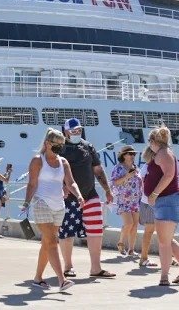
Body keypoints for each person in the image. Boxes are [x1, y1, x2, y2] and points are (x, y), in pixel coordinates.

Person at [20, 129, 81, 291]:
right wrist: (26, 203)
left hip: (58, 205)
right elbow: (32, 184)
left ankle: (38, 278)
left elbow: (71, 182)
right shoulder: (37, 161)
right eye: (56, 145)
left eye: (62, 145)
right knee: (53, 241)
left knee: (47, 243)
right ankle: (62, 280)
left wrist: (79, 196)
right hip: (41, 203)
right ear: (47, 144)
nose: (59, 148)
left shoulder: (64, 162)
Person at [57, 118, 115, 279]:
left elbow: (97, 170)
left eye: (79, 130)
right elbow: (53, 170)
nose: (77, 132)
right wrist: (61, 186)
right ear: (66, 131)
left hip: (90, 194)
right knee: (67, 232)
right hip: (69, 197)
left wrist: (107, 190)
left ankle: (96, 268)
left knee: (96, 230)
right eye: (73, 130)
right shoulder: (59, 148)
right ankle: (68, 266)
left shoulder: (88, 146)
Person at [144, 126, 179, 286]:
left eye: (149, 141)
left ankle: (164, 276)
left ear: (153, 141)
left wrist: (154, 194)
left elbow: (169, 175)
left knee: (163, 242)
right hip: (166, 202)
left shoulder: (164, 153)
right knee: (167, 239)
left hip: (167, 201)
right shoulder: (161, 153)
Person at [110, 145, 142, 255]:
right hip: (124, 199)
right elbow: (114, 182)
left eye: (134, 154)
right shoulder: (118, 168)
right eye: (130, 153)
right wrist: (127, 176)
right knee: (129, 223)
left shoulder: (135, 167)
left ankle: (131, 249)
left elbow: (139, 182)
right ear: (123, 155)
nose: (133, 155)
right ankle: (121, 242)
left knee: (135, 225)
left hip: (136, 200)